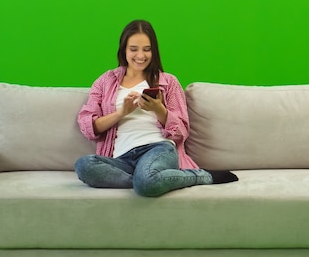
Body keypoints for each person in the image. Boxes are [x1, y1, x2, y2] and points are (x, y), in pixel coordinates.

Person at [75, 19, 238, 197]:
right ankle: (148, 180)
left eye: (147, 49)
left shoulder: (169, 82)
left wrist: (158, 109)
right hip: (122, 158)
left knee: (146, 181)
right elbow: (88, 126)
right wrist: (121, 113)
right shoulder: (106, 81)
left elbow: (182, 131)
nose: (140, 56)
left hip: (158, 149)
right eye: (133, 49)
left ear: (154, 50)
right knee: (84, 165)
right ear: (124, 49)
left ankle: (195, 176)